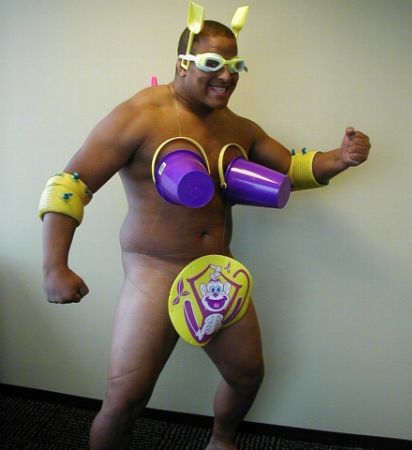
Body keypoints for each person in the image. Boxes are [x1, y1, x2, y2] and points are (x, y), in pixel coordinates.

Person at [39, 10, 371, 450]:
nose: (227, 77)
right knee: (125, 401)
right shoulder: (139, 116)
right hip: (154, 271)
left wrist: (342, 158)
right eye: (213, 64)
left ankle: (221, 441)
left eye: (235, 66)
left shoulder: (238, 127)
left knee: (247, 375)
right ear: (183, 63)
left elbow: (291, 168)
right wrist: (54, 266)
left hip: (217, 271)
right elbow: (70, 186)